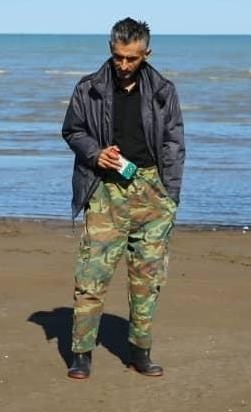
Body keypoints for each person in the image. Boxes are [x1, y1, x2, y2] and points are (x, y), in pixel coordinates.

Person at [61, 18, 185, 380]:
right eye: (118, 57)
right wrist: (95, 153)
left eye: (132, 58)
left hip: (152, 191)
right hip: (104, 190)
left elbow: (174, 144)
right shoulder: (89, 88)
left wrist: (170, 195)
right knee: (91, 276)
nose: (124, 65)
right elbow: (72, 129)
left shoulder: (163, 90)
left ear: (147, 53)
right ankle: (81, 353)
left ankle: (139, 352)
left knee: (147, 278)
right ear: (110, 50)